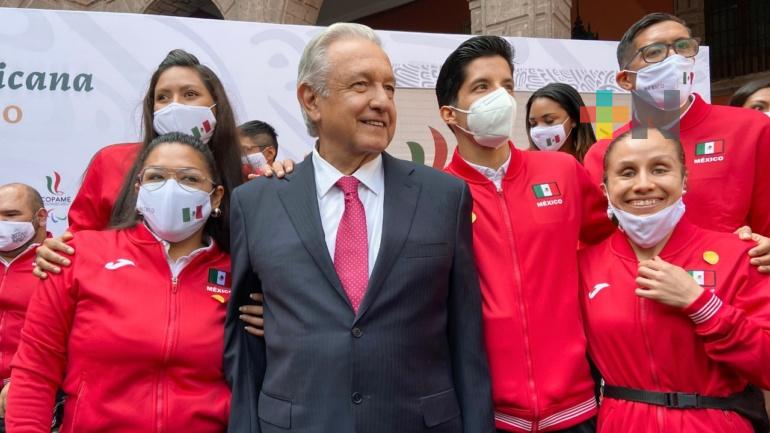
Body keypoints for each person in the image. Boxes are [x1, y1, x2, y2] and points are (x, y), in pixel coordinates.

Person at [224, 22, 494, 433]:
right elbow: (245, 351)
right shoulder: (256, 203)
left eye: (389, 88)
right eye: (361, 85)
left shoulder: (444, 197)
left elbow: (466, 340)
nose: (382, 101)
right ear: (311, 100)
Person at [437, 35, 614, 433]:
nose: (500, 97)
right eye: (482, 87)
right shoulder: (437, 194)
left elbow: (616, 244)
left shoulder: (562, 172)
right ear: (450, 113)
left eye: (506, 85)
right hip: (487, 413)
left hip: (576, 407)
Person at [7, 133, 231, 433]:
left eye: (189, 179)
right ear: (138, 189)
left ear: (215, 197)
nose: (170, 189)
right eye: (156, 177)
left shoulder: (237, 273)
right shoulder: (78, 255)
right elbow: (35, 370)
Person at [578, 127, 770, 433]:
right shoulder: (584, 265)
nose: (644, 184)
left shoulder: (740, 255)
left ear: (684, 180)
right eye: (627, 172)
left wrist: (703, 306)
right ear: (605, 189)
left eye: (659, 169)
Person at [33, 48, 243, 276]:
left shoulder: (244, 175)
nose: (175, 106)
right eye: (162, 97)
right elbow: (77, 242)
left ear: (216, 105)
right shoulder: (111, 162)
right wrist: (55, 254)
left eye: (190, 94)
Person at [583, 13, 770, 239]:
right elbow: (596, 242)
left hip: (734, 262)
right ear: (626, 79)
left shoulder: (751, 129)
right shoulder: (604, 152)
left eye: (683, 47)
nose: (674, 58)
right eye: (654, 52)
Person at [0, 184, 49, 431]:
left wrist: (24, 378)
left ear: (40, 217)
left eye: (10, 215)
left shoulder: (61, 260)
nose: (2, 224)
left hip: (35, 397)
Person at [525, 82, 597, 163]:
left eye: (549, 121)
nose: (539, 130)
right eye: (533, 124)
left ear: (573, 119)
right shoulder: (524, 161)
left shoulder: (595, 162)